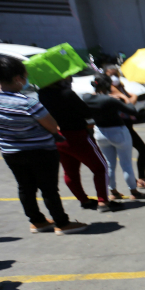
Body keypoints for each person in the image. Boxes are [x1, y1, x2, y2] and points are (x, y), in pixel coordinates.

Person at [0, 56, 86, 234]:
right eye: (25, 77)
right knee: (49, 189)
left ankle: (37, 221)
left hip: (10, 151)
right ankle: (62, 223)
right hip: (40, 151)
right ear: (17, 79)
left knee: (25, 186)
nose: (26, 81)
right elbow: (52, 126)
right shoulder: (28, 103)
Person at [37, 77, 111, 211]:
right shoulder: (67, 93)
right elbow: (85, 111)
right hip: (77, 135)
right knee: (101, 168)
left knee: (70, 171)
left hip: (57, 136)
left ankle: (84, 200)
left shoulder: (42, 94)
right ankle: (103, 201)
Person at [84, 74, 145, 202]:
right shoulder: (110, 100)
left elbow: (94, 98)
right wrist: (124, 97)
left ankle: (113, 191)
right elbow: (132, 111)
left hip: (100, 132)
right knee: (126, 163)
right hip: (118, 131)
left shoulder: (87, 97)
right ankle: (133, 191)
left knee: (109, 164)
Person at [104, 65, 145, 189]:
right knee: (137, 153)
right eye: (111, 75)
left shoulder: (119, 86)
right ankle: (134, 185)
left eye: (116, 74)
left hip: (127, 125)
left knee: (140, 151)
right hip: (121, 126)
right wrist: (131, 97)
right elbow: (130, 103)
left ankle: (140, 180)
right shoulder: (111, 90)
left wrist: (129, 96)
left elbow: (129, 99)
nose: (114, 77)